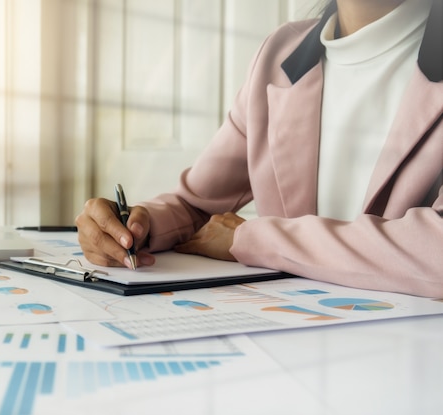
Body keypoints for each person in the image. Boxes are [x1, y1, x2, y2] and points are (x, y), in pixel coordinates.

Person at [75, 0, 443, 298]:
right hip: (286, 345)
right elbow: (197, 206)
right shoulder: (281, 53)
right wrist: (138, 226)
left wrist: (256, 239)